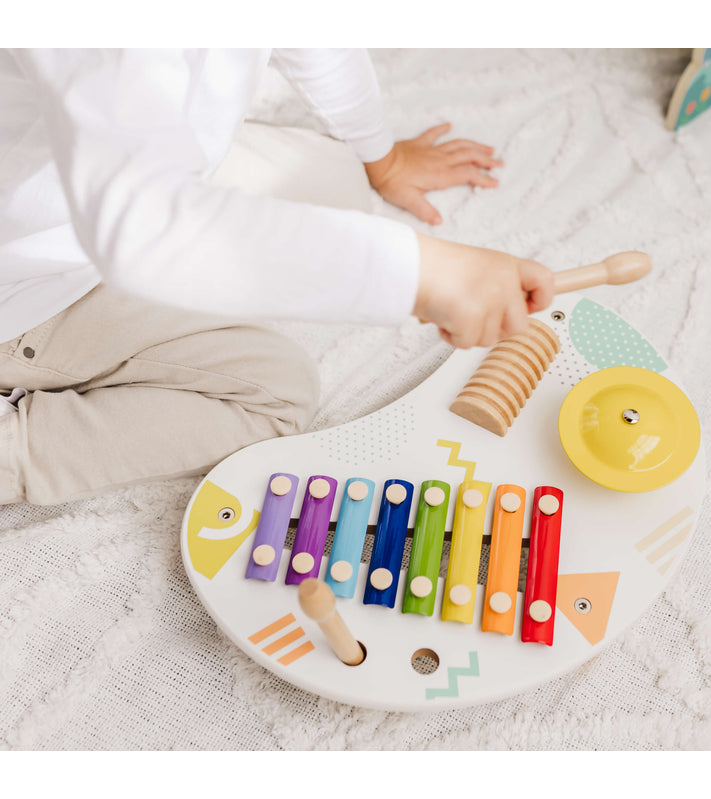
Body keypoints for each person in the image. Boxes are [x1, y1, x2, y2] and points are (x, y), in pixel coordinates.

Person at [0, 48, 554, 506]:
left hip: (83, 182)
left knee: (340, 186)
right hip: (33, 285)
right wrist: (420, 274)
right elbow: (143, 227)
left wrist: (382, 159)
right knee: (277, 392)